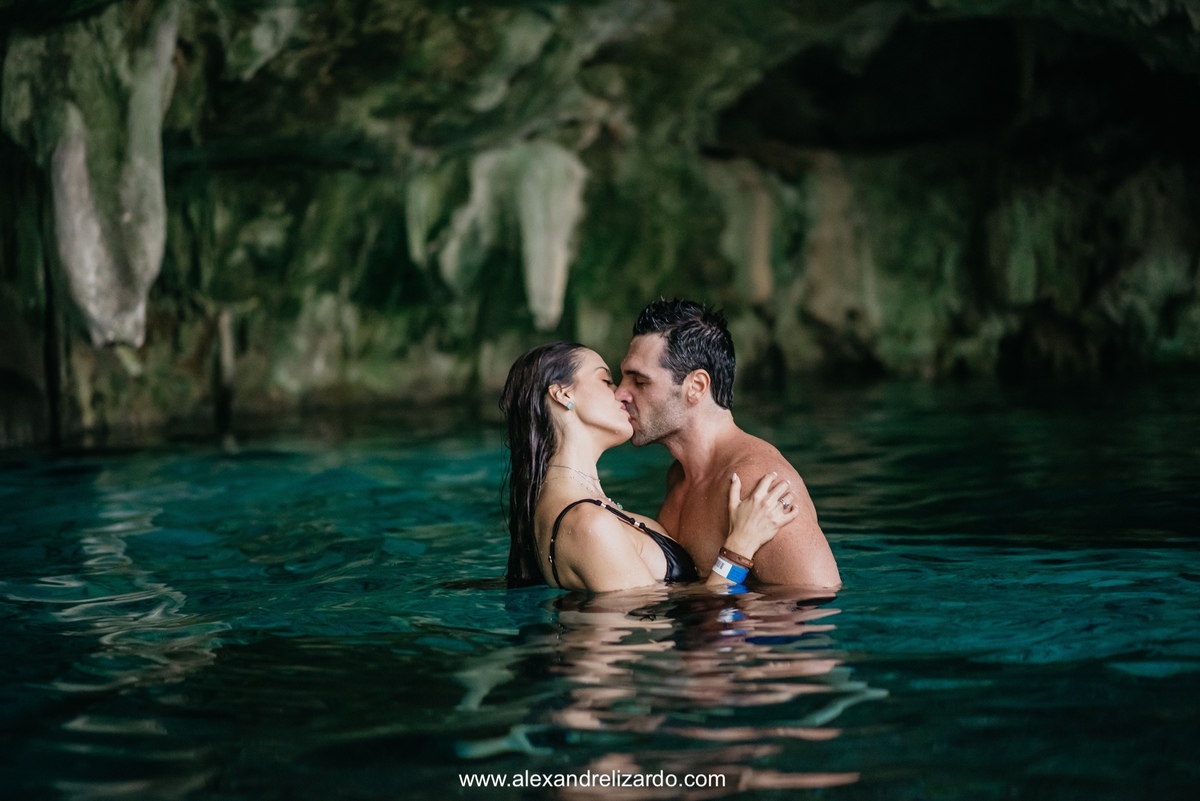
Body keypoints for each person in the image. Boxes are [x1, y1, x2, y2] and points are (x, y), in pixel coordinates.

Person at [501, 341, 799, 592]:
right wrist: (740, 547)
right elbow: (662, 634)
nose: (620, 394)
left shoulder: (575, 510)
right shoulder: (589, 525)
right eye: (606, 381)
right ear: (564, 394)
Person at [615, 299, 841, 588]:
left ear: (696, 387)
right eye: (623, 378)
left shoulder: (759, 485)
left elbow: (814, 607)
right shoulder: (679, 476)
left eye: (640, 382)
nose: (620, 393)